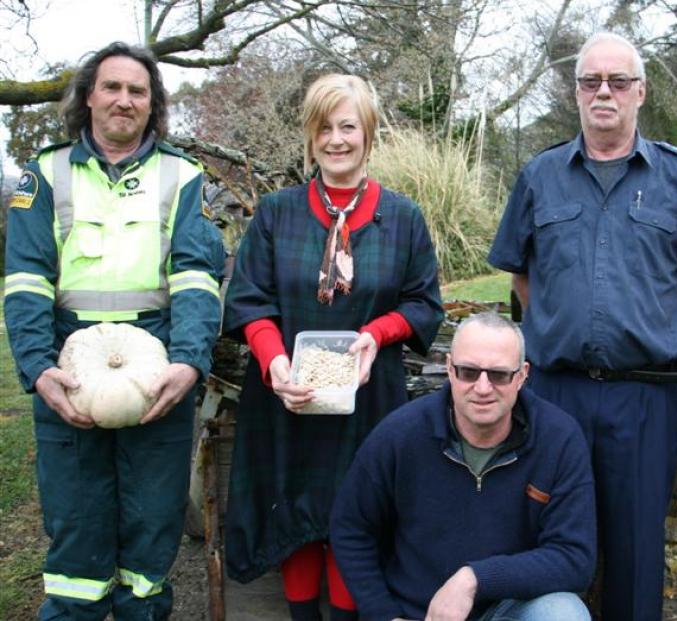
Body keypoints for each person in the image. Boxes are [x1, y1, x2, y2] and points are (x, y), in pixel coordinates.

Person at [488, 32, 677, 621]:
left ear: (640, 91)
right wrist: (564, 323)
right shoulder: (540, 176)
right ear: (576, 94)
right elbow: (523, 280)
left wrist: (648, 325)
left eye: (618, 81)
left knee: (637, 545)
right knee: (543, 529)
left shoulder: (676, 176)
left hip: (644, 395)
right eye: (591, 81)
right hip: (556, 392)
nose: (604, 92)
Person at [3, 42, 224, 620]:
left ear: (153, 106)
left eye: (138, 91)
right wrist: (37, 368)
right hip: (68, 363)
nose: (124, 100)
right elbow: (25, 280)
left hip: (158, 370)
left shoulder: (184, 175)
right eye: (112, 87)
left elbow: (197, 276)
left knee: (153, 526)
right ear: (88, 97)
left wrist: (190, 362)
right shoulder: (45, 174)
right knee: (77, 526)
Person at [221, 73, 444, 621]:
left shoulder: (403, 217)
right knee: (292, 508)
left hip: (368, 397)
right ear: (310, 135)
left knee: (356, 513)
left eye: (348, 126)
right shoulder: (277, 213)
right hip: (287, 395)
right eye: (324, 127)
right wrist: (275, 363)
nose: (336, 139)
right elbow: (250, 298)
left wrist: (374, 335)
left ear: (368, 134)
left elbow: (423, 303)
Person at [330, 312, 596, 621]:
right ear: (449, 369)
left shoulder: (559, 439)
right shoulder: (400, 435)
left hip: (506, 609)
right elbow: (351, 527)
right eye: (469, 372)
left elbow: (574, 558)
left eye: (498, 375)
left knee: (563, 615)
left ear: (522, 375)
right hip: (418, 612)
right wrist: (382, 613)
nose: (483, 388)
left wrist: (474, 579)